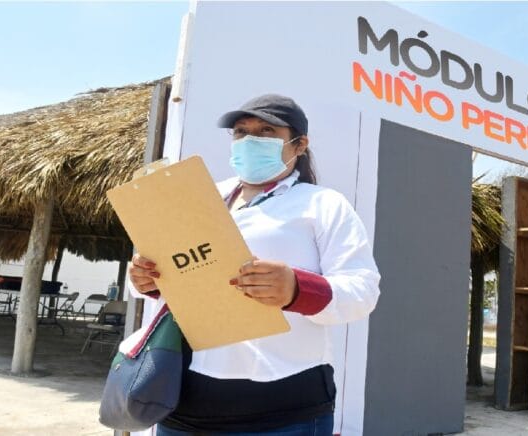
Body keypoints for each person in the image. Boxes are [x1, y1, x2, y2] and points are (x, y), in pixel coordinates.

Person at [128, 94, 381, 436]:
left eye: (266, 131)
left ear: (299, 144)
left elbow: (363, 291)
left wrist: (296, 289)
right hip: (184, 400)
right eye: (241, 132)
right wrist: (147, 279)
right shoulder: (204, 196)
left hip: (284, 408)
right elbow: (181, 273)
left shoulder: (323, 204)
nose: (249, 140)